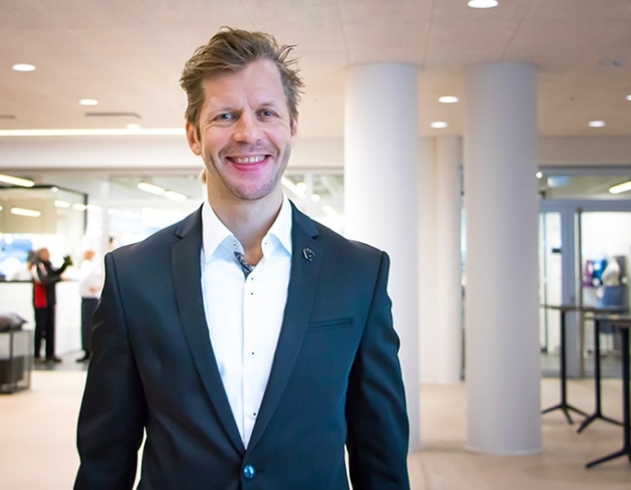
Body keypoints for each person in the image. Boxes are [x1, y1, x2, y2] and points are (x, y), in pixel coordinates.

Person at [74, 28, 409, 489]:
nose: (248, 133)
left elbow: (381, 452)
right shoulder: (133, 276)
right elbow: (104, 457)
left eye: (266, 113)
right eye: (225, 115)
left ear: (292, 126)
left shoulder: (358, 273)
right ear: (193, 135)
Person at [31, 247, 71, 363]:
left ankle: (50, 354)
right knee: (40, 329)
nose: (49, 255)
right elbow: (44, 281)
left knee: (50, 328)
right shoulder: (37, 266)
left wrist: (65, 265)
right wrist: (59, 278)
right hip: (41, 302)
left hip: (49, 302)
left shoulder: (48, 266)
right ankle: (37, 354)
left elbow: (55, 273)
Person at [76, 248, 104, 363]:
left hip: (93, 299)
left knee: (91, 325)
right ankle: (86, 349)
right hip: (85, 298)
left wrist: (97, 287)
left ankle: (92, 350)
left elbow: (101, 278)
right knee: (85, 326)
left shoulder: (96, 265)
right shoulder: (85, 265)